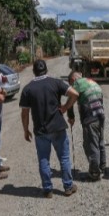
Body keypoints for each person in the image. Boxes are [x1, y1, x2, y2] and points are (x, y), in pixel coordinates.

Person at [19, 59, 79, 198]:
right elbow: (75, 94)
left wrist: (25, 129)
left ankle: (47, 190)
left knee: (43, 160)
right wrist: (65, 107)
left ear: (34, 71)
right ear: (46, 70)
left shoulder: (28, 89)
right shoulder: (56, 82)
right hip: (58, 127)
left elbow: (24, 113)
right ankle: (68, 187)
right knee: (64, 158)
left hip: (41, 131)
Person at [67, 71, 106, 181]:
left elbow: (70, 101)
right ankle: (102, 168)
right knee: (100, 142)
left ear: (73, 80)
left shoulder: (77, 83)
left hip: (90, 118)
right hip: (100, 115)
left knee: (90, 145)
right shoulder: (92, 82)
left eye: (71, 83)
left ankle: (94, 173)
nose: (71, 86)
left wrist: (71, 117)